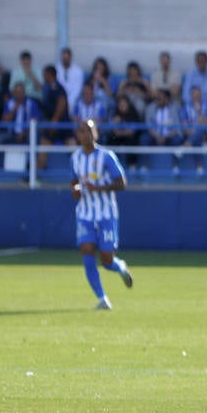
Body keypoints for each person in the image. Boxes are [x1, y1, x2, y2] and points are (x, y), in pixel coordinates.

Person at [70, 118, 134, 310]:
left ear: (95, 133)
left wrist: (99, 188)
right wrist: (75, 190)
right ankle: (102, 298)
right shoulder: (75, 158)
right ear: (78, 135)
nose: (86, 134)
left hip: (106, 214)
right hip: (85, 213)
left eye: (89, 130)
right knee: (87, 253)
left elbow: (121, 183)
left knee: (106, 260)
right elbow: (74, 181)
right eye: (82, 131)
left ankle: (120, 267)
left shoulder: (106, 156)